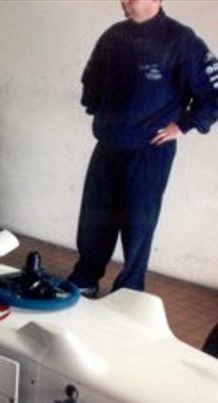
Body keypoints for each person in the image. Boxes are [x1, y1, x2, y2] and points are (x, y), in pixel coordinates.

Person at [68, 0, 218, 296]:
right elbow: (91, 79)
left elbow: (214, 93)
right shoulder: (113, 36)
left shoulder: (181, 40)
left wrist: (184, 125)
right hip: (109, 143)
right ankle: (85, 277)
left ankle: (129, 289)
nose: (124, 1)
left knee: (138, 222)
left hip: (150, 149)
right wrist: (98, 109)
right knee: (95, 217)